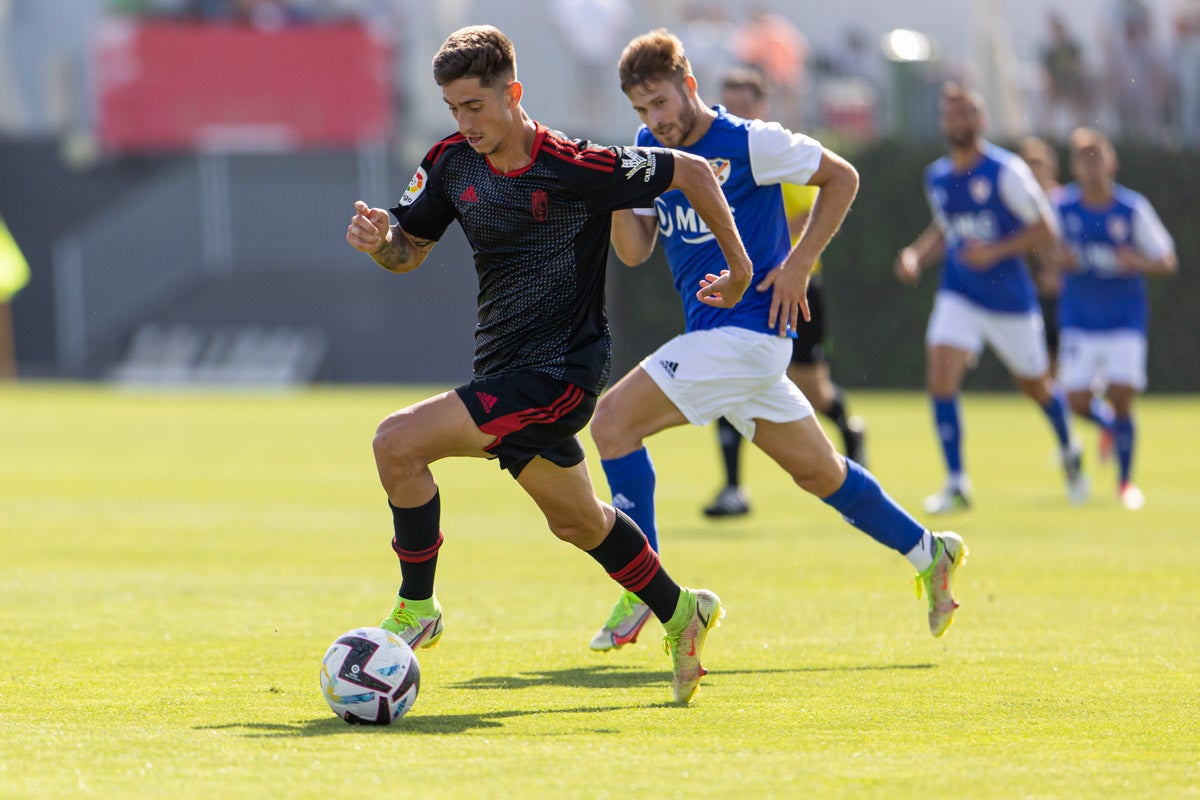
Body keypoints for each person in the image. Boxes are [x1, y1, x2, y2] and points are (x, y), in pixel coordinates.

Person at [344, 25, 755, 705]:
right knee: (579, 522)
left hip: (561, 376)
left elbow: (687, 170)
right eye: (453, 108)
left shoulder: (573, 164)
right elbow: (408, 247)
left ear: (514, 93)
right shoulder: (452, 163)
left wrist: (740, 269)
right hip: (503, 375)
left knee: (397, 442)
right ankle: (682, 612)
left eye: (476, 105)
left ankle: (418, 609)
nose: (465, 122)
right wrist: (381, 238)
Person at [587, 29, 966, 653]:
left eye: (660, 103)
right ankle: (931, 551)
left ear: (689, 85)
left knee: (612, 425)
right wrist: (614, 196)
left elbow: (841, 178)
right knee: (820, 474)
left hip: (748, 334)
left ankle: (642, 586)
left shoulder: (748, 140)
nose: (653, 119)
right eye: (640, 110)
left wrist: (798, 264)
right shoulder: (648, 147)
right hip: (724, 342)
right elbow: (635, 252)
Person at [895, 83, 1088, 515]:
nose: (957, 122)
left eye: (966, 113)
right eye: (951, 114)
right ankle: (957, 482)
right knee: (940, 377)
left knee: (1035, 386)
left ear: (981, 120)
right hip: (959, 292)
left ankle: (1070, 447)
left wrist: (995, 251)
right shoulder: (938, 176)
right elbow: (946, 229)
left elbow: (1047, 229)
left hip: (1010, 301)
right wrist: (915, 256)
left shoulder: (1006, 171)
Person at [703, 67, 866, 519]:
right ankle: (734, 489)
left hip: (794, 285)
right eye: (728, 104)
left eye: (744, 105)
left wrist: (772, 256)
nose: (734, 114)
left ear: (762, 108)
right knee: (723, 374)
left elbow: (804, 216)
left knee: (814, 389)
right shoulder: (716, 157)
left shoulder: (773, 151)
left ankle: (850, 434)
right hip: (741, 285)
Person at [1052, 127, 1177, 509]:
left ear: (1111, 161)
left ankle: (1125, 482)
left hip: (1124, 318)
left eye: (1097, 155)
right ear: (1073, 165)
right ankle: (1110, 429)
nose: (1090, 164)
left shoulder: (1131, 208)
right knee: (1074, 400)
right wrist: (1059, 259)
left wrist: (1135, 261)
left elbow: (1167, 259)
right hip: (1079, 318)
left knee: (1123, 396)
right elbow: (1042, 249)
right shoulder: (1061, 207)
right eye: (1083, 157)